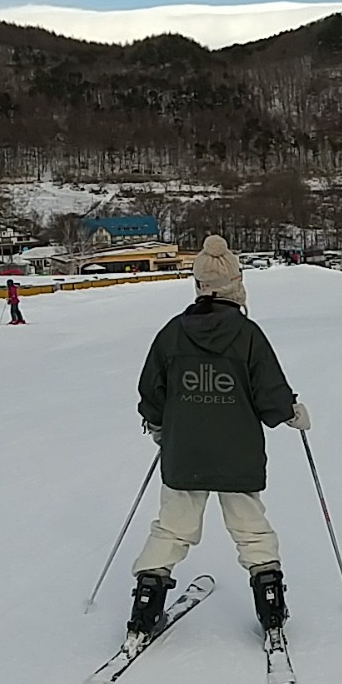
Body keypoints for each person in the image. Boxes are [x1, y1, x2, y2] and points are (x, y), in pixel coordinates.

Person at [127, 234, 311, 646]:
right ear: (235, 284)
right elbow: (270, 395)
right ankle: (271, 606)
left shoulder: (172, 334)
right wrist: (291, 412)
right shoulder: (247, 335)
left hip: (185, 450)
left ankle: (144, 607)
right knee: (251, 530)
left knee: (172, 529)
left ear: (198, 285)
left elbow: (151, 392)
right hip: (237, 452)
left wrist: (158, 426)